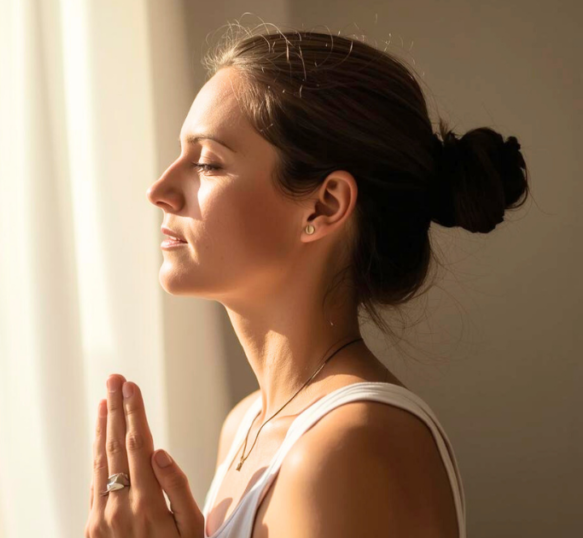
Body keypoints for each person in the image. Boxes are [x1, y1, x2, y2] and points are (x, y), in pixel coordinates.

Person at [85, 28, 528, 538]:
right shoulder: (246, 425)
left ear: (324, 205)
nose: (159, 190)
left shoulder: (348, 445)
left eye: (207, 162)